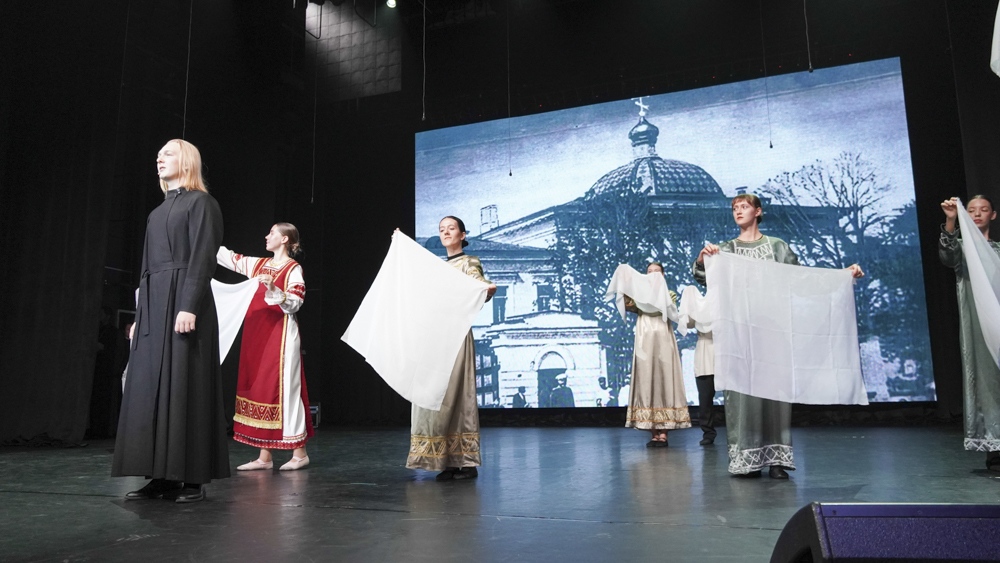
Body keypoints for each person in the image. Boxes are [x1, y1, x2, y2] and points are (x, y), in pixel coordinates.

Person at [694, 193, 863, 479]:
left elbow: (800, 280)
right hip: (740, 333)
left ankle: (776, 460)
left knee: (775, 394)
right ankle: (747, 458)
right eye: (735, 208)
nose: (738, 211)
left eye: (744, 206)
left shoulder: (777, 247)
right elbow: (705, 278)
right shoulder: (726, 249)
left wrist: (841, 276)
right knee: (742, 394)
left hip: (772, 331)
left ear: (758, 212)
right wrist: (702, 260)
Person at [112, 139, 229, 503]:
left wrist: (189, 305)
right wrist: (140, 315)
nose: (159, 158)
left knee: (186, 386)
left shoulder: (202, 203)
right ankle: (161, 476)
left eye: (168, 153)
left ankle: (192, 478)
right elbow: (146, 268)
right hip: (155, 304)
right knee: (153, 389)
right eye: (158, 154)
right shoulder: (156, 212)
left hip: (184, 301)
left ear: (187, 161)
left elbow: (203, 257)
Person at [217, 223, 315, 471]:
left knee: (284, 390)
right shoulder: (258, 264)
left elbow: (295, 302)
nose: (266, 236)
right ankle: (264, 457)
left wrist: (273, 288)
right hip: (257, 335)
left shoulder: (293, 268)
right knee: (260, 389)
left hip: (281, 336)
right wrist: (201, 236)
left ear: (284, 239)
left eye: (272, 233)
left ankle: (300, 453)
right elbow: (229, 258)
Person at [406, 216, 496, 481]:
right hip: (435, 337)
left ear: (462, 235)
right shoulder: (438, 268)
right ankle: (446, 459)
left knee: (456, 395)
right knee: (435, 395)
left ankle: (465, 462)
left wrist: (486, 289)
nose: (445, 232)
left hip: (455, 335)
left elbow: (480, 286)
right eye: (441, 229)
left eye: (451, 228)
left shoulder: (469, 262)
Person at [939, 195, 1000, 471]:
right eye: (972, 210)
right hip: (979, 322)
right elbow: (947, 255)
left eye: (983, 210)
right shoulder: (964, 249)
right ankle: (995, 449)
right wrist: (951, 220)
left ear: (993, 215)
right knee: (988, 381)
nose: (977, 214)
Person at [623, 262, 691, 447]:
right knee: (646, 380)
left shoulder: (669, 294)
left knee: (664, 378)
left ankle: (664, 432)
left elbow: (667, 310)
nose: (652, 274)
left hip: (662, 339)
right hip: (645, 340)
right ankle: (653, 432)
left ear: (662, 275)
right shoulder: (638, 295)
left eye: (656, 272)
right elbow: (627, 305)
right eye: (649, 272)